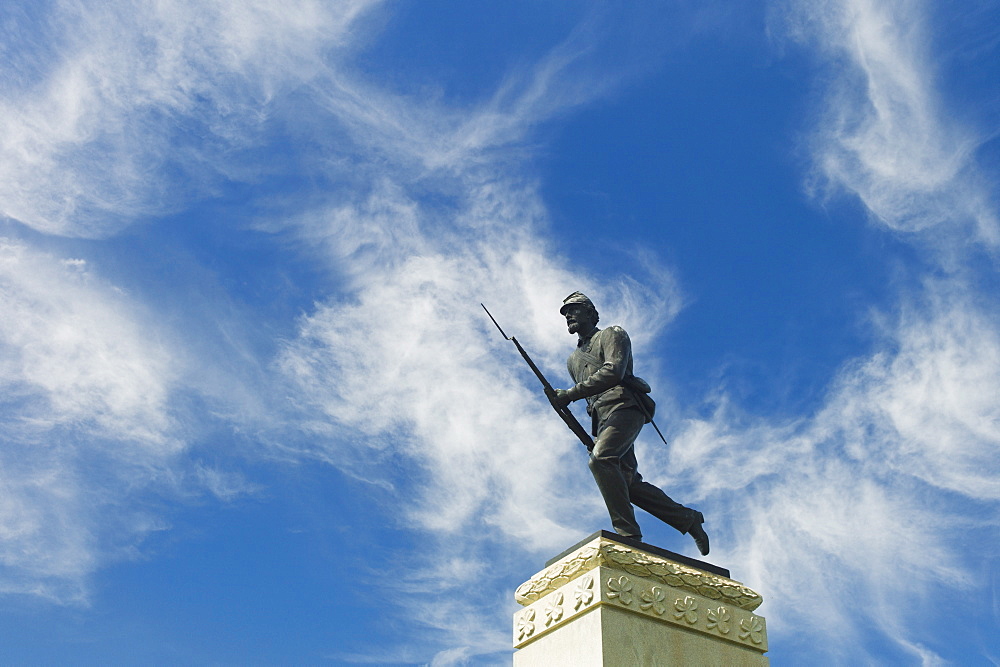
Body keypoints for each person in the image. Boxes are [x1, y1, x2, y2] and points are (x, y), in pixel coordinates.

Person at [547, 292, 710, 556]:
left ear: (590, 312)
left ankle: (628, 533)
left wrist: (570, 394)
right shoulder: (573, 360)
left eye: (574, 310)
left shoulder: (612, 334)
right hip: (601, 419)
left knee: (601, 460)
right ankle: (688, 519)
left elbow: (614, 371)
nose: (569, 316)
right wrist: (561, 401)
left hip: (625, 406)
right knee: (627, 483)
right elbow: (589, 399)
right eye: (565, 313)